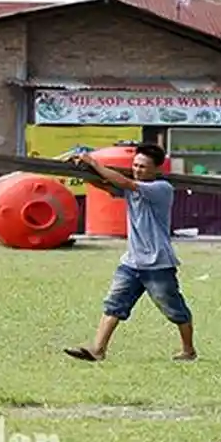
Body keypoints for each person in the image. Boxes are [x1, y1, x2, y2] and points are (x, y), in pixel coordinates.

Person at [63, 143, 197, 363]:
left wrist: (93, 162)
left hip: (158, 263)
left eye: (143, 167)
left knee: (174, 310)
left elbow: (124, 182)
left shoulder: (161, 188)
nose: (137, 169)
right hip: (132, 262)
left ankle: (188, 350)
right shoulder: (131, 188)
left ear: (156, 169)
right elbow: (107, 186)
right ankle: (98, 350)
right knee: (114, 305)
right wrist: (82, 172)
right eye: (135, 165)